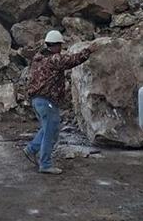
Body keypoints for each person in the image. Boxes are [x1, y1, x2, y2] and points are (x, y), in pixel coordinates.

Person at [23, 30, 95, 174]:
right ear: (56, 46)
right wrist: (89, 51)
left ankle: (31, 149)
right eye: (60, 46)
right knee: (50, 132)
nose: (61, 49)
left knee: (49, 129)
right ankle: (45, 164)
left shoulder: (39, 58)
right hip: (47, 101)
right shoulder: (54, 59)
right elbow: (72, 60)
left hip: (38, 101)